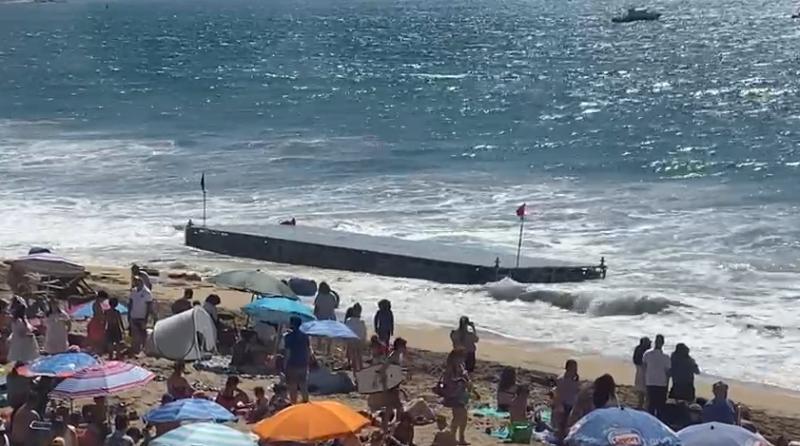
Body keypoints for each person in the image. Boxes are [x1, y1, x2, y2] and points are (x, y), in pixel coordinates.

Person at [441, 350, 471, 446]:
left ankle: (461, 438)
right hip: (453, 395)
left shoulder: (461, 366)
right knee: (458, 417)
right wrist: (460, 380)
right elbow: (447, 381)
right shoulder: (450, 368)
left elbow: (466, 378)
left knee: (464, 417)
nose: (462, 359)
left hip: (461, 395)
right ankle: (452, 437)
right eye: (460, 357)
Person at [283, 316, 311, 403]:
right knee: (303, 384)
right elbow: (308, 350)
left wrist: (284, 365)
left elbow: (288, 352)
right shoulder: (305, 336)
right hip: (303, 362)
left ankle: (294, 403)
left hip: (292, 363)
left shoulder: (288, 337)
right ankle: (306, 401)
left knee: (293, 385)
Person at [642, 334, 670, 420]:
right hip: (661, 383)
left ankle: (649, 420)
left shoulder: (647, 354)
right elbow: (668, 372)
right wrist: (667, 384)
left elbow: (644, 367)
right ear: (663, 343)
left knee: (651, 404)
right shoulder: (666, 357)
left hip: (650, 382)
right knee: (660, 406)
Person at [553, 360, 579, 438]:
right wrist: (559, 405)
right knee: (562, 422)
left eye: (576, 368)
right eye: (573, 368)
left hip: (572, 404)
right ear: (567, 368)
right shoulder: (562, 379)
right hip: (563, 404)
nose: (575, 370)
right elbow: (558, 394)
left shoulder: (575, 379)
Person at [128, 276, 154, 354]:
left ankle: (143, 349)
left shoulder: (147, 292)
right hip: (134, 316)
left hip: (142, 317)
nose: (136, 283)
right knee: (135, 335)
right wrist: (129, 314)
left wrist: (146, 317)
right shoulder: (133, 291)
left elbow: (149, 306)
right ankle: (136, 349)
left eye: (138, 281)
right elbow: (130, 303)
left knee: (142, 334)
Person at [345, 304, 367, 371]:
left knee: (356, 356)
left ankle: (357, 370)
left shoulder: (349, 320)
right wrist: (364, 339)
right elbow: (364, 332)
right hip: (357, 339)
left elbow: (346, 330)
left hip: (353, 339)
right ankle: (359, 369)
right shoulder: (361, 322)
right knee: (358, 355)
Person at [632, 337, 651, 408]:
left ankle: (640, 404)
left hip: (639, 369)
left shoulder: (638, 349)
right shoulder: (648, 351)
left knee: (641, 389)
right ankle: (646, 405)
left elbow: (635, 360)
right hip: (646, 371)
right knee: (647, 390)